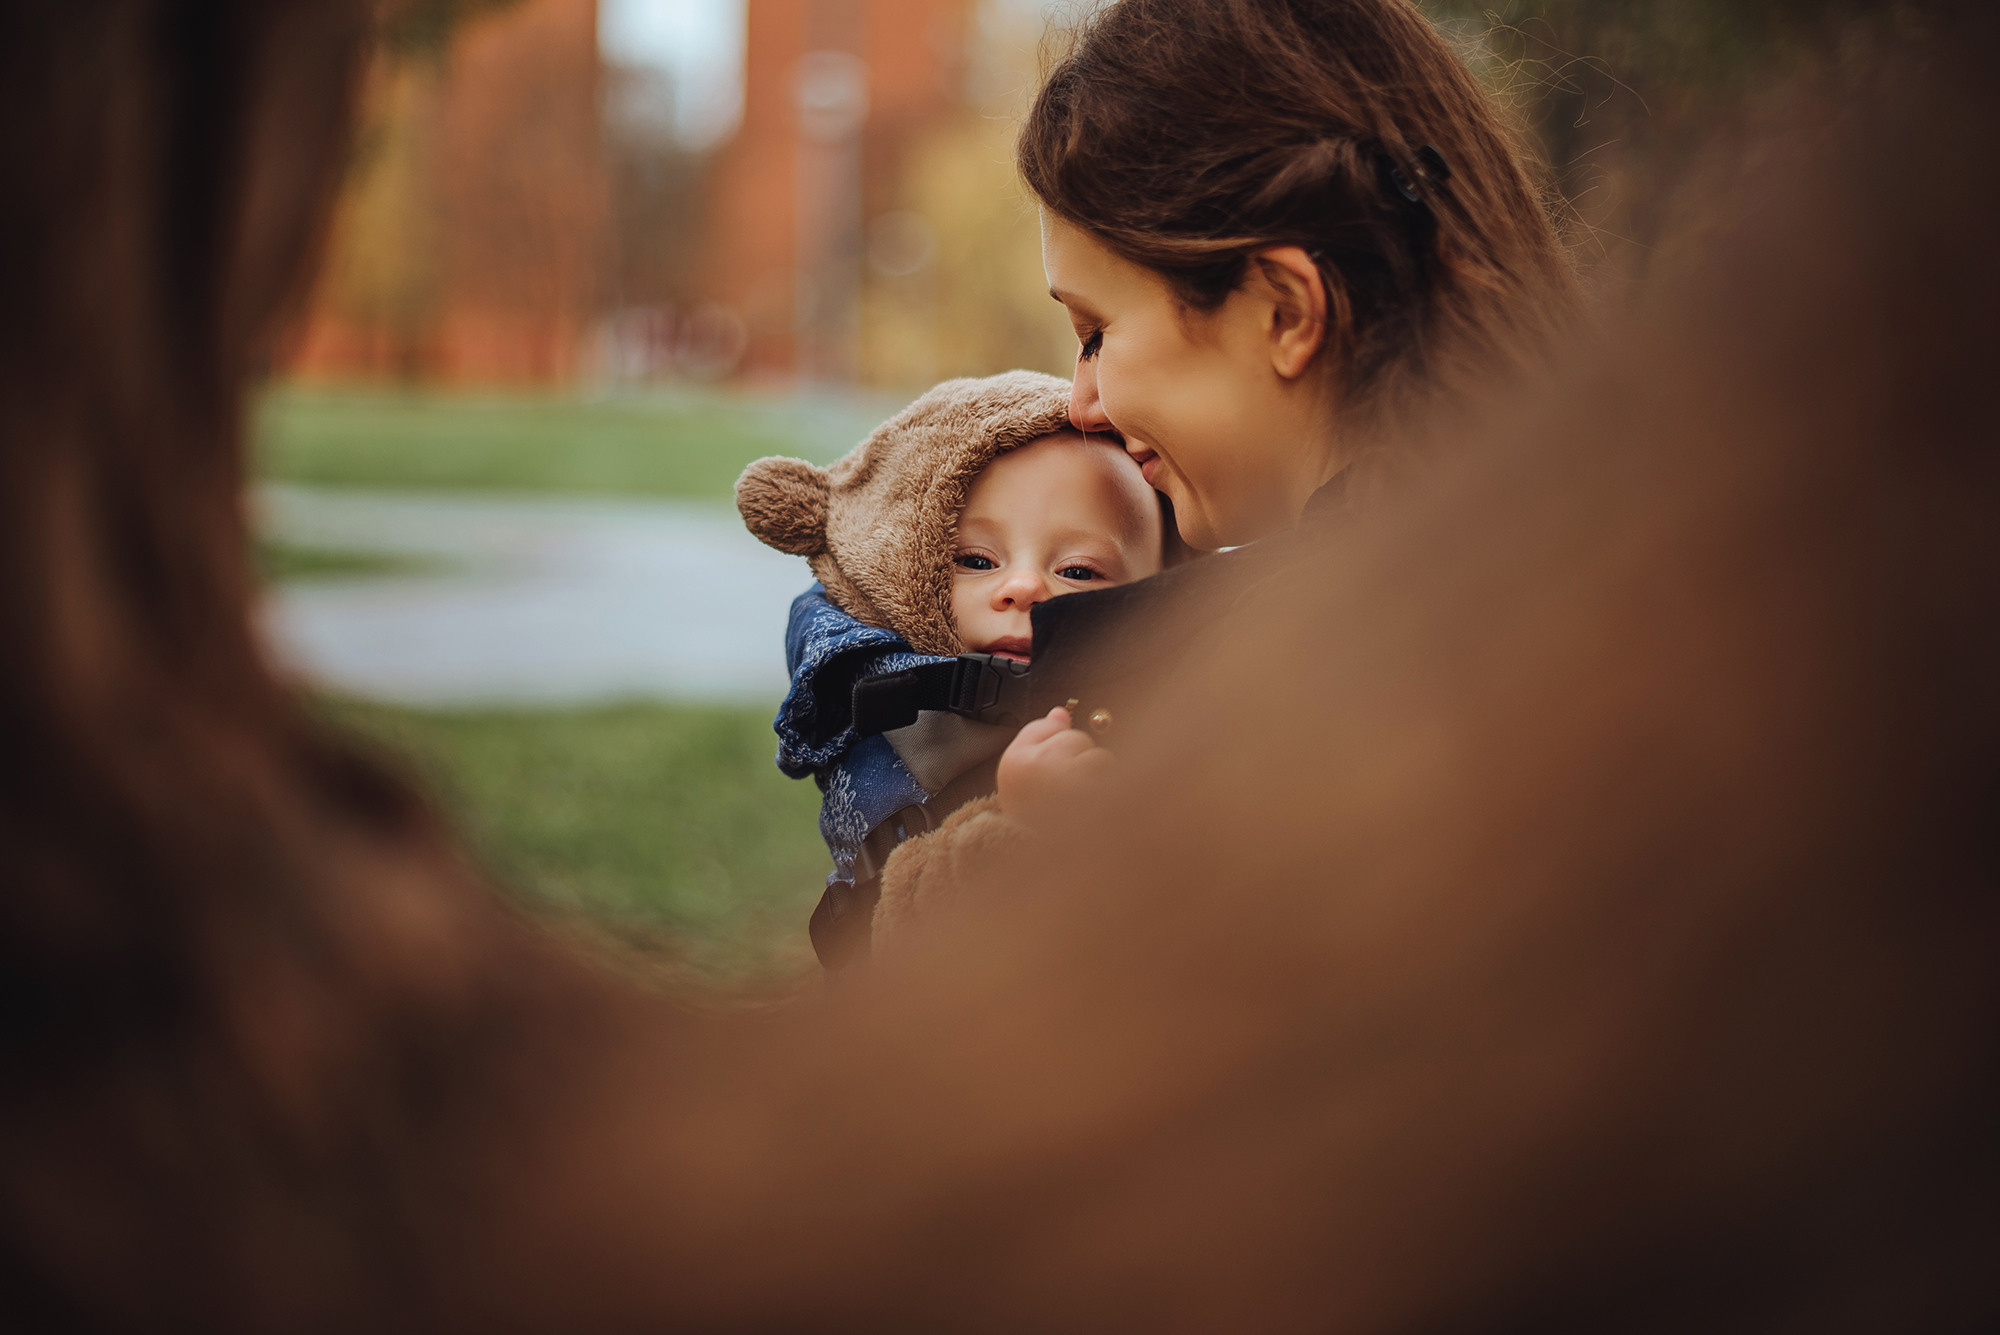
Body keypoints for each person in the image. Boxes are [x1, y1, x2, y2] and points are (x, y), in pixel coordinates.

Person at [735, 372, 1173, 968]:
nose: (1021, 587)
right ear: (908, 562)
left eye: (1077, 570)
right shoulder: (895, 714)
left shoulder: (1171, 720)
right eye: (975, 560)